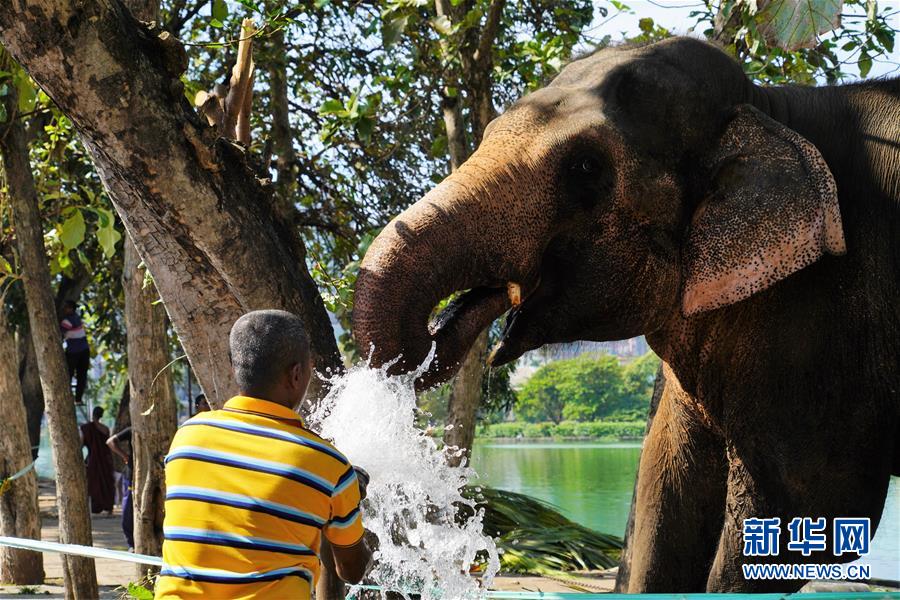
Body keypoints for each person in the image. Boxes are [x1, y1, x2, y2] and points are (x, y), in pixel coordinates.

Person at [155, 310, 372, 599]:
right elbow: (352, 571)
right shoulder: (326, 465)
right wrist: (349, 500)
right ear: (296, 374)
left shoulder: (187, 438)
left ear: (235, 367)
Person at [80, 406, 115, 515]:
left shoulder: (86, 428)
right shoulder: (105, 429)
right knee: (107, 482)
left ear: (93, 414)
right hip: (105, 461)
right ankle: (108, 507)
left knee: (94, 483)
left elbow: (81, 445)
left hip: (93, 461)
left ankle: (96, 508)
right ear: (101, 415)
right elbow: (108, 446)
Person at [107, 426, 134, 551]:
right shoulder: (132, 430)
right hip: (131, 475)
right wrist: (125, 456)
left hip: (151, 474)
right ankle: (131, 543)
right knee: (128, 509)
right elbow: (110, 442)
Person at [59, 300, 90, 405]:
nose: (64, 309)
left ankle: (68, 397)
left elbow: (60, 333)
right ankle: (78, 399)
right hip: (84, 350)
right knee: (82, 376)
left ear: (71, 309)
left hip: (74, 352)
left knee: (69, 375)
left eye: (66, 307)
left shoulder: (67, 321)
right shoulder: (77, 317)